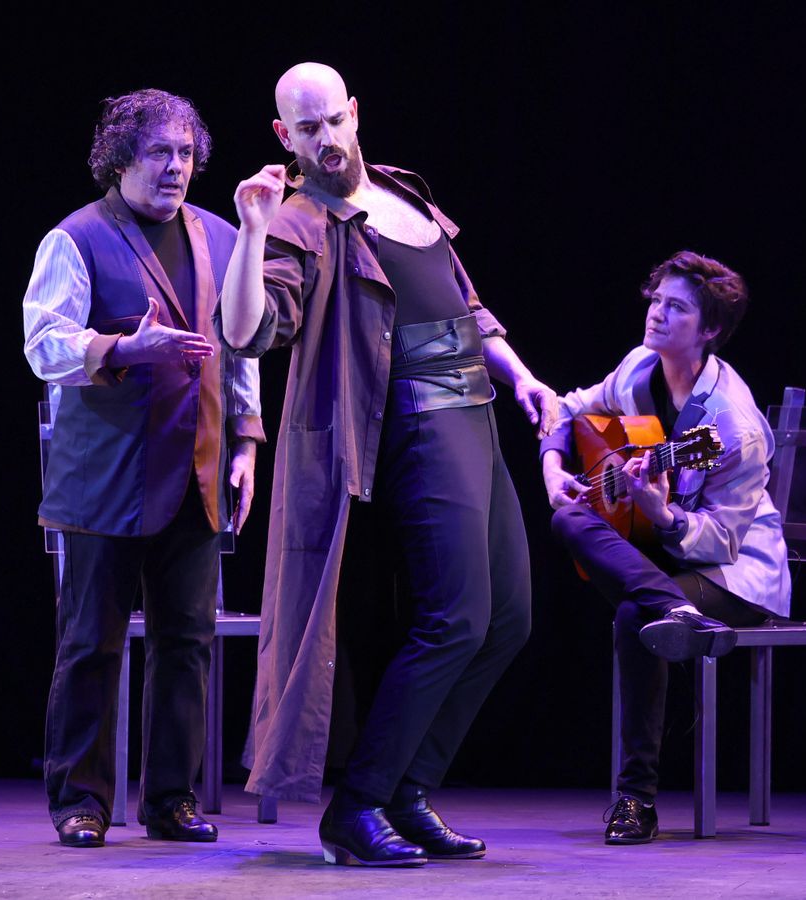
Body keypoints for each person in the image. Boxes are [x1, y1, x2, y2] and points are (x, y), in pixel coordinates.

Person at [219, 63, 558, 867]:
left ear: (355, 113)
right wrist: (253, 229)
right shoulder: (301, 220)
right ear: (283, 137)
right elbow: (246, 331)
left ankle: (408, 791)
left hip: (474, 412)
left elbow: (464, 302)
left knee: (508, 620)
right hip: (414, 418)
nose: (327, 140)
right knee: (455, 618)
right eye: (307, 129)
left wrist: (523, 377)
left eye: (334, 121)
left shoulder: (403, 191)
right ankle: (360, 803)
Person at [22, 89, 263, 848]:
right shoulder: (78, 238)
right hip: (105, 478)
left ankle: (172, 800)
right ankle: (80, 802)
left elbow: (240, 347)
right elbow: (43, 344)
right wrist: (124, 349)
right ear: (120, 158)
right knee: (90, 641)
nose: (176, 167)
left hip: (195, 470)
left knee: (185, 644)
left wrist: (249, 444)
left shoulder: (222, 240)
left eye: (187, 153)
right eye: (160, 152)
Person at [543, 250, 790, 845]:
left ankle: (635, 798)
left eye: (675, 308)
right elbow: (570, 408)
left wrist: (664, 515)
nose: (656, 314)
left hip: (734, 576)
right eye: (656, 300)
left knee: (636, 615)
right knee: (568, 521)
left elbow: (725, 541)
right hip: (665, 569)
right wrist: (554, 467)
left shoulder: (734, 426)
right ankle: (671, 608)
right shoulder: (636, 369)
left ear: (707, 330)